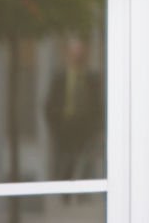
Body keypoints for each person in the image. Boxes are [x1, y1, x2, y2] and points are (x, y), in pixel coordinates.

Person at [43, 37, 103, 192]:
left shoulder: (91, 78)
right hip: (66, 125)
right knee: (66, 158)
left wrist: (96, 127)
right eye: (74, 54)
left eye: (80, 54)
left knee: (84, 158)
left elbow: (98, 105)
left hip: (85, 125)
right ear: (68, 55)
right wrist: (55, 126)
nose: (77, 58)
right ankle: (66, 191)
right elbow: (50, 105)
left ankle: (83, 190)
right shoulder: (60, 78)